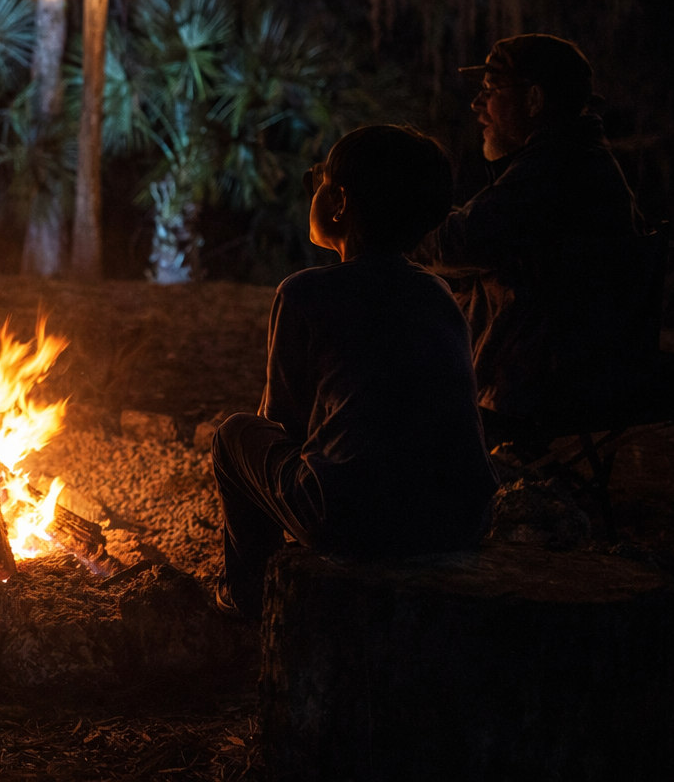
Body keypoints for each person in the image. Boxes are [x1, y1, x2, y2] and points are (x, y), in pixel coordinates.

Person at [212, 125, 499, 619]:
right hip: (462, 518)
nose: (314, 193)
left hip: (354, 522)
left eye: (319, 182)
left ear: (339, 202)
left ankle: (248, 596)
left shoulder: (304, 293)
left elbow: (284, 424)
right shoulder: (439, 294)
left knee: (236, 436)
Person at [412, 34, 646, 449]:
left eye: (490, 91)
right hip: (586, 365)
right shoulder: (575, 159)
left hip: (546, 378)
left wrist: (391, 221)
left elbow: (459, 243)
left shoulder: (553, 171)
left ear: (534, 100)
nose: (476, 105)